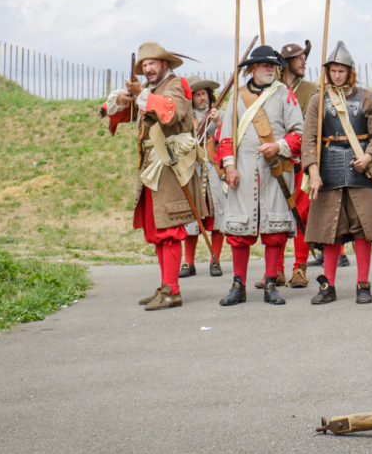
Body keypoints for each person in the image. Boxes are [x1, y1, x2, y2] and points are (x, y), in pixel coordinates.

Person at [102, 41, 201, 311]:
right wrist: (122, 99)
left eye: (152, 64)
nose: (148, 69)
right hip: (151, 166)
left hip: (170, 166)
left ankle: (173, 290)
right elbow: (127, 112)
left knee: (169, 229)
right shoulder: (148, 89)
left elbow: (171, 111)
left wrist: (141, 95)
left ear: (164, 65)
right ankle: (166, 285)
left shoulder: (176, 85)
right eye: (145, 65)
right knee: (158, 230)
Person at [301, 41, 372, 304]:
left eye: (341, 71)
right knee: (331, 231)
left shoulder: (367, 97)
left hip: (360, 172)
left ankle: (363, 284)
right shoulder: (318, 101)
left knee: (363, 230)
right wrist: (313, 171)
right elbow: (309, 139)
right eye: (333, 71)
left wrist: (369, 156)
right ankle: (327, 285)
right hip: (328, 170)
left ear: (350, 71)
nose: (337, 75)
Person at [215, 45, 304, 306]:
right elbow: (226, 137)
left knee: (274, 231)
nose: (269, 69)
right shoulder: (237, 97)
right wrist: (229, 166)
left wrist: (278, 146)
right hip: (242, 172)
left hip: (274, 172)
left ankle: (271, 284)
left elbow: (299, 133)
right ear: (251, 69)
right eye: (263, 65)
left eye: (272, 65)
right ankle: (238, 285)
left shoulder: (285, 95)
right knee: (239, 232)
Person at [273, 41, 320, 289]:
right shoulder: (272, 89)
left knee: (302, 215)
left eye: (304, 57)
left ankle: (299, 268)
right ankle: (276, 270)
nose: (303, 62)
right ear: (286, 63)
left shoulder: (312, 90)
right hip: (276, 162)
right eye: (298, 58)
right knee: (277, 217)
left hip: (302, 160)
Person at [181, 76, 227, 278]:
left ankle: (215, 259)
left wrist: (217, 124)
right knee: (191, 217)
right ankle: (188, 263)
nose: (202, 98)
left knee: (217, 215)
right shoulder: (184, 118)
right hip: (193, 171)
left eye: (204, 94)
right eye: (198, 94)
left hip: (214, 172)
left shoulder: (220, 115)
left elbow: (228, 139)